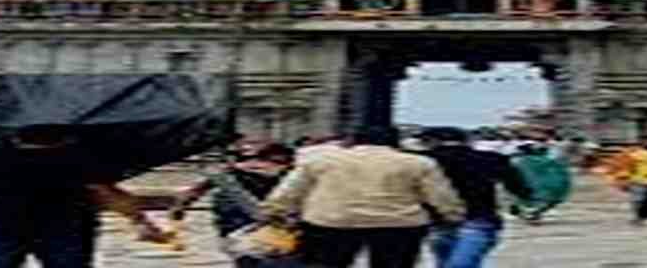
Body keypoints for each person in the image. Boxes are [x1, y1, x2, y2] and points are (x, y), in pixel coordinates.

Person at [0, 125, 170, 268]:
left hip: (0, 226)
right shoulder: (76, 156)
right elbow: (103, 191)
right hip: (65, 228)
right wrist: (140, 220)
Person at [262, 125, 465, 268]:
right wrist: (452, 216)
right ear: (396, 141)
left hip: (332, 221)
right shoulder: (418, 163)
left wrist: (275, 212)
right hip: (398, 224)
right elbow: (441, 196)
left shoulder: (320, 160)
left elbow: (290, 190)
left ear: (353, 140)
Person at [421, 127, 532, 268]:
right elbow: (518, 187)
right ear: (467, 141)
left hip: (437, 222)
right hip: (479, 220)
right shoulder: (492, 158)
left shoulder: (422, 160)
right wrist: (525, 197)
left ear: (430, 142)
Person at [169, 142, 296, 266]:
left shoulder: (231, 170)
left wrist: (178, 209)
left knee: (243, 253)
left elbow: (193, 193)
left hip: (232, 222)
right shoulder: (289, 172)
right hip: (268, 222)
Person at [509, 142, 573, 223]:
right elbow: (554, 166)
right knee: (552, 200)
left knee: (525, 198)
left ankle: (527, 211)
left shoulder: (519, 161)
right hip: (542, 186)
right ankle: (533, 213)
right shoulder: (536, 160)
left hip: (530, 187)